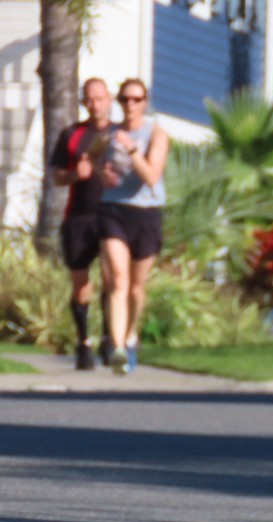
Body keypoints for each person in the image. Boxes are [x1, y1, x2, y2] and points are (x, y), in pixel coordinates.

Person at [98, 78, 169, 375]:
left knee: (136, 289)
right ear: (119, 101)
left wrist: (131, 151)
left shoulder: (156, 134)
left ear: (145, 102)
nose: (130, 104)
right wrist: (103, 174)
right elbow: (93, 162)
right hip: (113, 210)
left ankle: (130, 336)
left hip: (146, 213)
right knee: (117, 279)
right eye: (125, 99)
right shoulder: (109, 134)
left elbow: (151, 175)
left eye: (136, 99)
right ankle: (116, 348)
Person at [49, 77, 114, 370]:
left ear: (109, 99)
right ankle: (84, 341)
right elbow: (56, 176)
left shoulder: (120, 134)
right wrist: (78, 174)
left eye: (100, 98)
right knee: (81, 284)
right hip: (78, 217)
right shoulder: (72, 135)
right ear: (83, 101)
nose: (95, 104)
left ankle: (109, 339)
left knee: (113, 278)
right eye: (89, 99)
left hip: (113, 215)